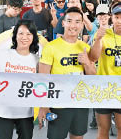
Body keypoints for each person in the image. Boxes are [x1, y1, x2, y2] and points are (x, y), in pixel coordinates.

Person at [38, 7, 96, 139]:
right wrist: (43, 106)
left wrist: (87, 63)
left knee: (77, 136)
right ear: (63, 23)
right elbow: (43, 78)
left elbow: (93, 77)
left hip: (79, 101)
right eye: (69, 21)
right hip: (58, 103)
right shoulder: (51, 47)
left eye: (77, 22)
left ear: (82, 25)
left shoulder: (85, 47)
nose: (73, 25)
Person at [89, 1, 121, 139]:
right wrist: (98, 39)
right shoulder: (103, 33)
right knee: (103, 129)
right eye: (117, 17)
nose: (120, 21)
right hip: (103, 87)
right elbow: (93, 58)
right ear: (111, 17)